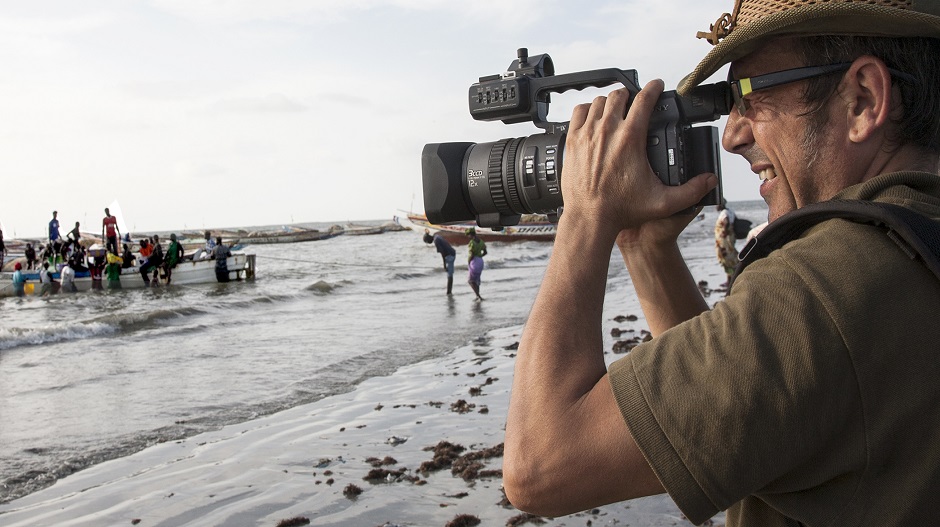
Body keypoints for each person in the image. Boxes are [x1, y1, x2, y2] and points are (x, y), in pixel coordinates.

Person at [502, 2, 940, 526]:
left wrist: (585, 212)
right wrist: (644, 246)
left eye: (750, 97)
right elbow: (746, 418)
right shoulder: (909, 243)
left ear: (862, 100)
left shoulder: (829, 287)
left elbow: (540, 465)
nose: (732, 135)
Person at [423, 229, 456, 295]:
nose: (429, 243)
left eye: (427, 242)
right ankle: (449, 291)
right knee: (450, 274)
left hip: (450, 255)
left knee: (449, 275)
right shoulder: (437, 236)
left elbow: (442, 253)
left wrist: (444, 265)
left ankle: (449, 292)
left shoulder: (436, 241)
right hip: (451, 252)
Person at [714, 201, 738, 287]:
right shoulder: (730, 211)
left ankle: (730, 280)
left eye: (716, 205)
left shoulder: (724, 213)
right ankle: (731, 279)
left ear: (721, 204)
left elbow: (726, 222)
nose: (715, 207)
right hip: (730, 238)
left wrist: (724, 231)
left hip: (724, 241)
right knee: (730, 257)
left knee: (725, 257)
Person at [465, 228, 487, 301]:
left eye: (468, 235)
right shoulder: (481, 241)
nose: (468, 237)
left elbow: (471, 254)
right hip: (480, 261)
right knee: (476, 280)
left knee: (470, 281)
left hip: (474, 261)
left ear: (470, 234)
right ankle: (478, 295)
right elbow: (485, 252)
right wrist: (479, 256)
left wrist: (468, 262)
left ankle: (478, 296)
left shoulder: (472, 243)